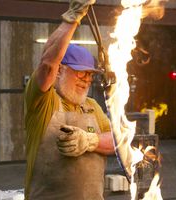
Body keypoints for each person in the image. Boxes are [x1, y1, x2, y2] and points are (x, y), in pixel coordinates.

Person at [23, 0, 115, 199]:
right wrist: (73, 17)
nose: (86, 81)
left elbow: (116, 141)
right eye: (80, 73)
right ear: (59, 72)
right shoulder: (43, 101)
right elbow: (47, 64)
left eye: (90, 75)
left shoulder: (92, 106)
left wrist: (91, 141)